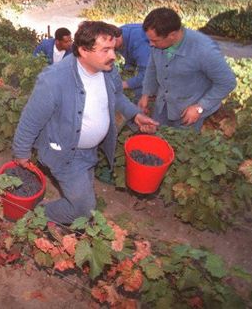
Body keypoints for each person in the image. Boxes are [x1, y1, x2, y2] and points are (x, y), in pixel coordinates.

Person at [13, 21, 159, 225]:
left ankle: (65, 214)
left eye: (113, 48)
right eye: (105, 50)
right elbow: (31, 119)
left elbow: (116, 96)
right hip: (64, 153)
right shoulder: (54, 80)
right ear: (83, 50)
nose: (113, 56)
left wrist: (135, 115)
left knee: (83, 191)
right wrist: (21, 153)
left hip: (89, 152)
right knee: (83, 209)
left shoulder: (108, 70)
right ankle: (37, 216)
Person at [138, 8, 236, 131]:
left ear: (172, 35)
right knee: (159, 141)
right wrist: (146, 93)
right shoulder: (158, 45)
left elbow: (228, 82)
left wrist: (200, 107)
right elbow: (152, 68)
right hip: (163, 106)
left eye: (154, 40)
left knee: (183, 146)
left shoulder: (204, 50)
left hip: (190, 113)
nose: (151, 44)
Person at [114, 24, 151, 98]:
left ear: (115, 39)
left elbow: (147, 75)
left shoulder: (139, 43)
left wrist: (124, 84)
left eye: (109, 49)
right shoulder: (119, 34)